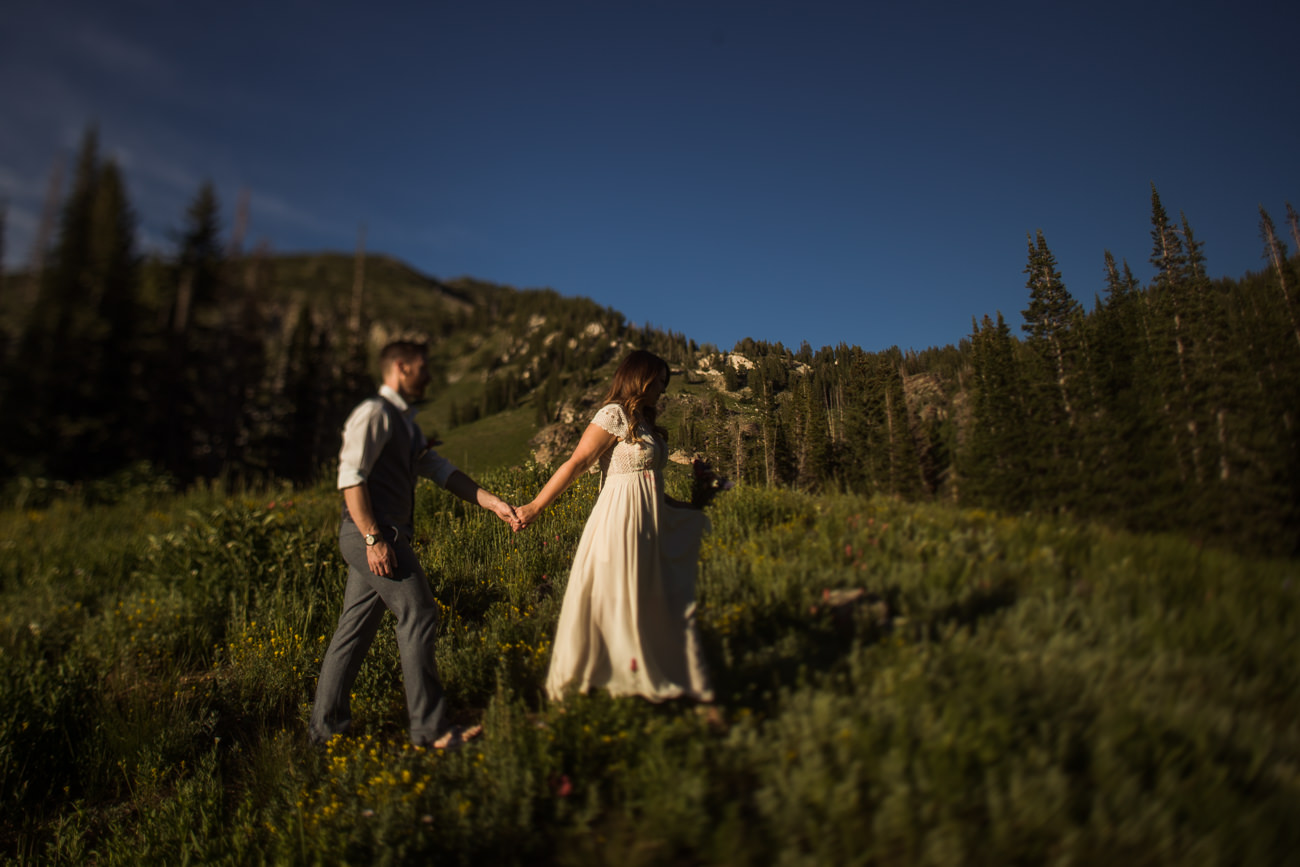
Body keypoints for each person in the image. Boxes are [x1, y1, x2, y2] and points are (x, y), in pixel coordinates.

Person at [309, 340, 521, 748]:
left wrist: (492, 502)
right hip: (370, 534)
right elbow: (351, 478)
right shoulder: (373, 414)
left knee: (352, 631)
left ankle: (324, 732)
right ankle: (430, 729)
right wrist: (373, 538)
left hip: (379, 535)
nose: (428, 376)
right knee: (420, 612)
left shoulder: (406, 424)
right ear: (401, 368)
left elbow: (440, 470)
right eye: (422, 368)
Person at [516, 350, 715, 704]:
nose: (662, 391)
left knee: (645, 599)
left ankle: (631, 679)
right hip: (619, 520)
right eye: (658, 382)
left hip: (648, 522)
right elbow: (577, 463)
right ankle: (593, 684)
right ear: (641, 378)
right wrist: (535, 507)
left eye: (665, 384)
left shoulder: (646, 423)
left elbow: (651, 483)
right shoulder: (615, 415)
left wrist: (687, 506)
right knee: (613, 598)